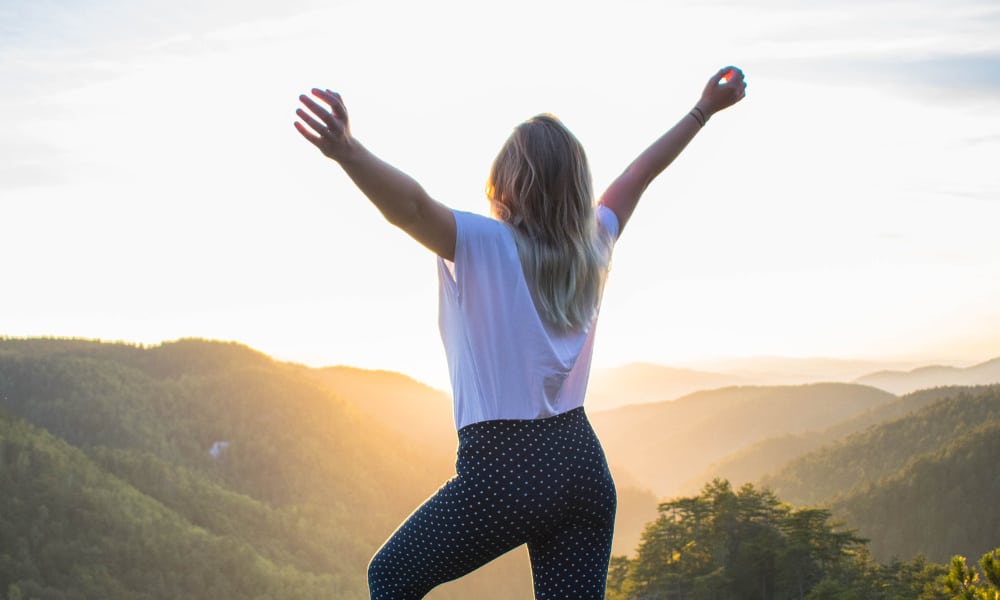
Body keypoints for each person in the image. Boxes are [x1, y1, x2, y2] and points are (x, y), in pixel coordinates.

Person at [294, 66, 747, 599]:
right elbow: (638, 175)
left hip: (504, 469)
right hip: (581, 466)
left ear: (506, 180)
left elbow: (412, 207)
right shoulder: (593, 243)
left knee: (391, 576)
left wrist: (349, 152)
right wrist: (702, 111)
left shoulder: (485, 243)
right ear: (576, 187)